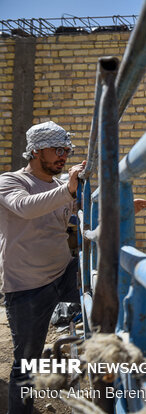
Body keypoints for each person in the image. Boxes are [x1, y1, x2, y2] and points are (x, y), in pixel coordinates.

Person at [0, 121, 85, 413]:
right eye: (57, 149)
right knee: (26, 363)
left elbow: (78, 216)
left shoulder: (61, 187)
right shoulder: (11, 181)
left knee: (104, 293)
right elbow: (25, 207)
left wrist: (121, 206)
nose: (63, 155)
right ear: (35, 151)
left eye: (66, 149)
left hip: (63, 274)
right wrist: (68, 191)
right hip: (27, 285)